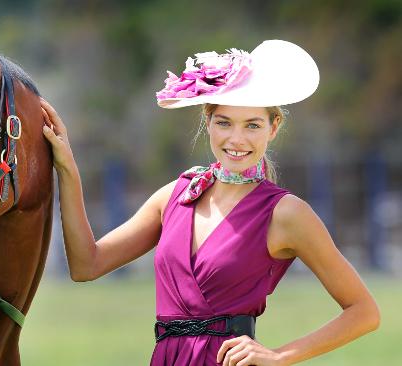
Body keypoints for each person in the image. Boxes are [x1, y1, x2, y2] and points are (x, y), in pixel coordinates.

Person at [40, 40, 380, 366]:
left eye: (252, 125)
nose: (236, 139)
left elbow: (364, 311)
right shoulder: (174, 196)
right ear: (207, 121)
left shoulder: (286, 214)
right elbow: (86, 265)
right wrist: (67, 168)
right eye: (224, 123)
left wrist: (279, 356)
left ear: (273, 128)